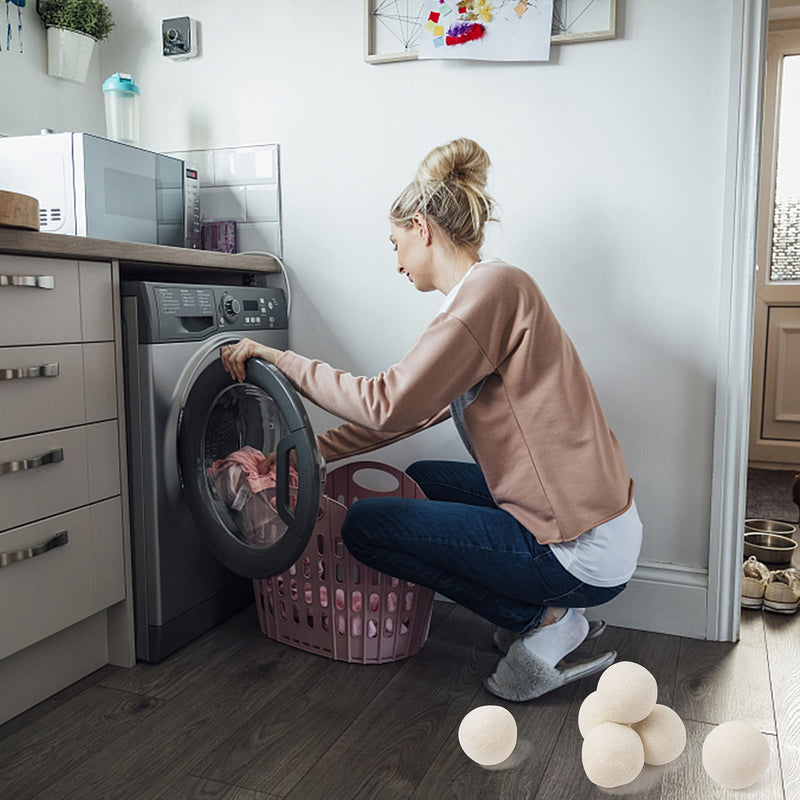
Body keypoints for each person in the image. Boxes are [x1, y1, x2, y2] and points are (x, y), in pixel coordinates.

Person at [221, 137, 642, 701]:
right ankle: (551, 616)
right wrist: (311, 453)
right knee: (425, 475)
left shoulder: (489, 293)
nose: (395, 263)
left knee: (364, 530)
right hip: (589, 522)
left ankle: (544, 622)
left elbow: (384, 402)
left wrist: (279, 358)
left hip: (578, 548)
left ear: (422, 227)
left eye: (396, 244)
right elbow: (407, 416)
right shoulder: (490, 294)